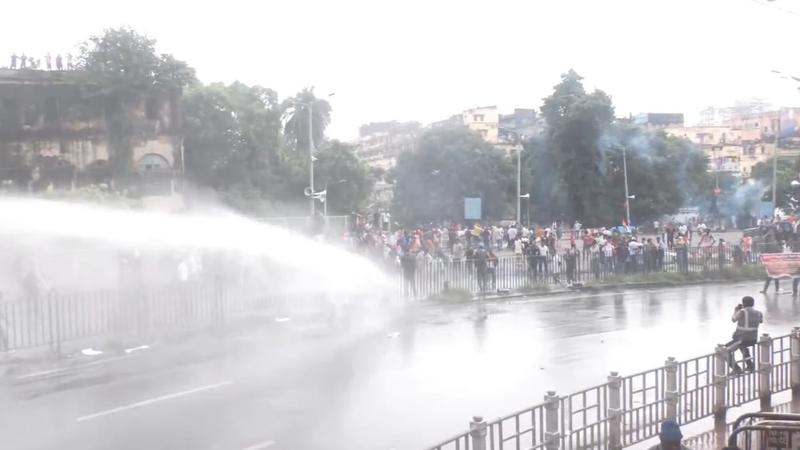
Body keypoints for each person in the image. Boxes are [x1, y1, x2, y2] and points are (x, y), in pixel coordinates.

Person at [726, 296, 763, 374]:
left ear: (743, 304)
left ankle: (736, 369)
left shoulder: (742, 312)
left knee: (724, 351)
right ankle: (750, 365)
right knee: (742, 347)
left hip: (742, 338)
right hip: (753, 339)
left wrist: (736, 310)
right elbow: (761, 321)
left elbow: (733, 319)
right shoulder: (759, 313)